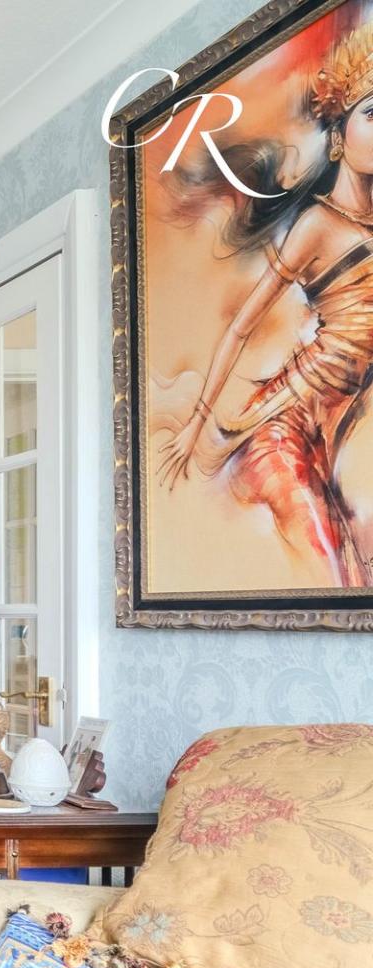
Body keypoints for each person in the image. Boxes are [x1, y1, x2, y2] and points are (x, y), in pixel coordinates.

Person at [155, 23, 373, 588]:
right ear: (338, 135)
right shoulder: (318, 225)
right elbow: (240, 328)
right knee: (330, 577)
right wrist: (197, 422)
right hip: (281, 427)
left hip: (335, 432)